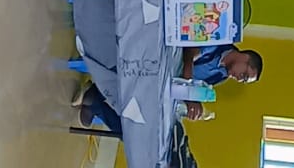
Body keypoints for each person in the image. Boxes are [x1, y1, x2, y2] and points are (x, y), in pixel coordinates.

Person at [72, 44, 263, 128]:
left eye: (243, 80)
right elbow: (189, 54)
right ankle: (95, 97)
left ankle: (95, 99)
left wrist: (194, 105)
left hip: (169, 85)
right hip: (165, 60)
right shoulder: (220, 43)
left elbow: (197, 88)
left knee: (146, 122)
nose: (239, 79)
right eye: (244, 75)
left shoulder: (221, 75)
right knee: (141, 91)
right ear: (245, 57)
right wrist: (189, 94)